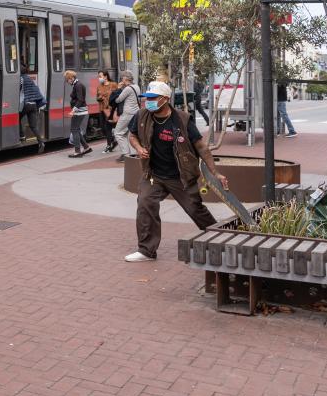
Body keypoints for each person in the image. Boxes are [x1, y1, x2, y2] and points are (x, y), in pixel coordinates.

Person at [124, 81, 229, 262]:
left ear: (165, 99)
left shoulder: (182, 120)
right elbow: (132, 135)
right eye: (146, 98)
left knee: (195, 209)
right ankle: (147, 250)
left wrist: (215, 173)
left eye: (152, 98)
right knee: (145, 203)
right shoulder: (141, 115)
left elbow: (202, 148)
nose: (147, 102)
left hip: (180, 176)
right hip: (153, 175)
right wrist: (139, 147)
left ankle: (220, 241)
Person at [112, 72, 140, 163]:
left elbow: (118, 99)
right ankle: (131, 154)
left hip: (127, 113)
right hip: (135, 112)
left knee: (118, 133)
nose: (121, 80)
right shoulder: (136, 86)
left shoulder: (128, 88)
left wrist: (119, 88)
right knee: (129, 133)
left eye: (122, 78)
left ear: (126, 78)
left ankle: (125, 154)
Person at [20, 71, 46, 153]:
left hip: (26, 104)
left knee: (17, 118)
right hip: (33, 104)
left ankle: (22, 136)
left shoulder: (20, 78)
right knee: (33, 126)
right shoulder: (29, 78)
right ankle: (41, 143)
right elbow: (36, 90)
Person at [66, 70, 92, 158]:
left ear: (71, 78)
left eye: (68, 79)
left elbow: (80, 99)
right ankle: (86, 147)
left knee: (74, 130)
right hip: (80, 111)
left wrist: (73, 110)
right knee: (76, 129)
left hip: (79, 111)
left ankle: (77, 151)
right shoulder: (77, 84)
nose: (67, 82)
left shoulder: (78, 85)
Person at [96, 70, 117, 153]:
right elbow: (97, 97)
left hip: (110, 109)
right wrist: (99, 98)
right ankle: (113, 141)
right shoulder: (99, 86)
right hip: (102, 109)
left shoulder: (113, 85)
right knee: (103, 128)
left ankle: (109, 145)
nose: (99, 78)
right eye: (99, 76)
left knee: (108, 127)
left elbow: (117, 96)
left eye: (100, 76)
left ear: (105, 76)